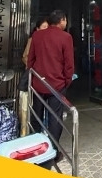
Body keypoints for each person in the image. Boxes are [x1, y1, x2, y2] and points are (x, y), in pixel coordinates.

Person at [28, 9, 74, 160]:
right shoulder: (66, 37)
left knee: (36, 116)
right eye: (65, 20)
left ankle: (35, 149)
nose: (66, 23)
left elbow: (30, 59)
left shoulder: (37, 35)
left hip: (38, 83)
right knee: (55, 118)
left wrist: (33, 78)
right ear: (61, 20)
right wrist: (67, 81)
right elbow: (69, 64)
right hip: (56, 85)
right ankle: (53, 150)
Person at [18, 17, 49, 136]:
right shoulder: (33, 40)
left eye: (48, 27)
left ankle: (44, 130)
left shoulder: (49, 39)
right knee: (36, 105)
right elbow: (25, 57)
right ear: (37, 29)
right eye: (44, 27)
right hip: (36, 78)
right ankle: (34, 132)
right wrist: (35, 67)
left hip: (47, 78)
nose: (46, 29)